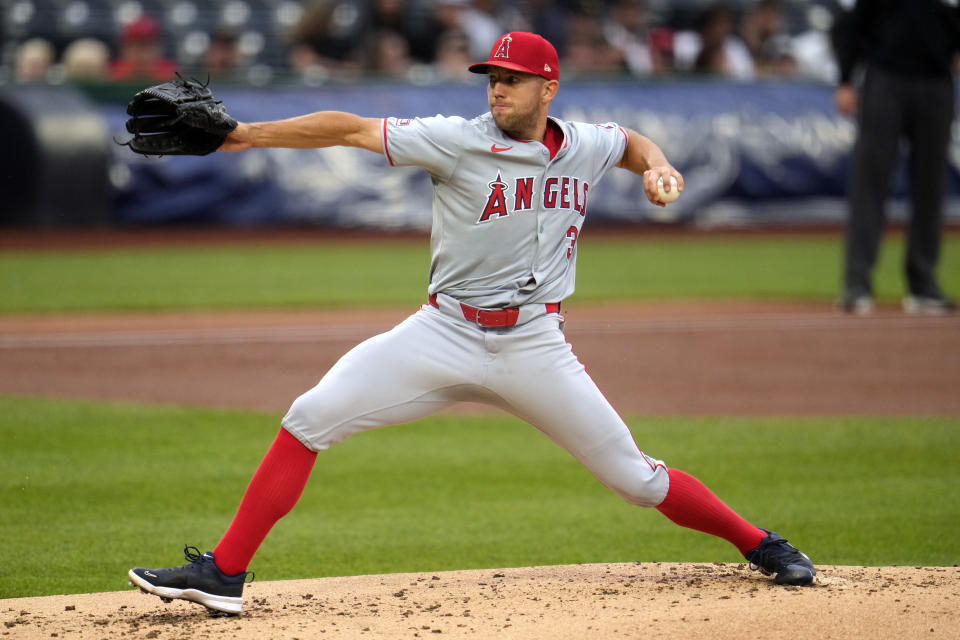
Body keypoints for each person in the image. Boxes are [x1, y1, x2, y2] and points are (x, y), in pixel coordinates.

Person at [127, 31, 816, 615]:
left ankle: (762, 544)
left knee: (636, 479)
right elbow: (352, 127)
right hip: (442, 334)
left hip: (535, 345)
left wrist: (656, 165)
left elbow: (630, 141)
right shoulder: (455, 141)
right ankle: (224, 574)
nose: (497, 91)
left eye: (513, 81)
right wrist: (246, 135)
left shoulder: (583, 144)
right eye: (492, 78)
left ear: (548, 89)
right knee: (309, 416)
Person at [832, 0, 959, 315]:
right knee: (870, 180)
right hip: (885, 76)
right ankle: (857, 282)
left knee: (930, 186)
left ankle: (923, 282)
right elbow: (852, 21)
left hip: (937, 80)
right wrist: (846, 78)